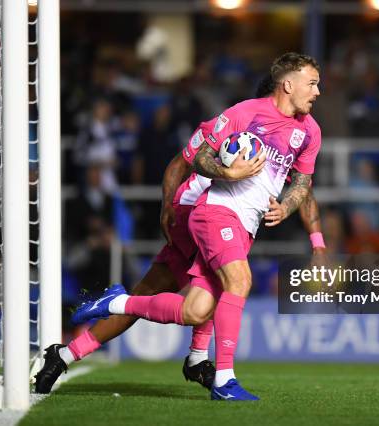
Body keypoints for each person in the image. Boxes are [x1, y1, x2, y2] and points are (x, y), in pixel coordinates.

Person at [35, 65, 327, 396]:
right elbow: (180, 163)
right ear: (279, 91)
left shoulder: (294, 137)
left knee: (201, 293)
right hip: (196, 213)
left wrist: (317, 243)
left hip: (233, 218)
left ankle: (67, 354)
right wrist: (167, 208)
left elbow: (306, 191)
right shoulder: (235, 123)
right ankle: (200, 359)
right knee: (219, 284)